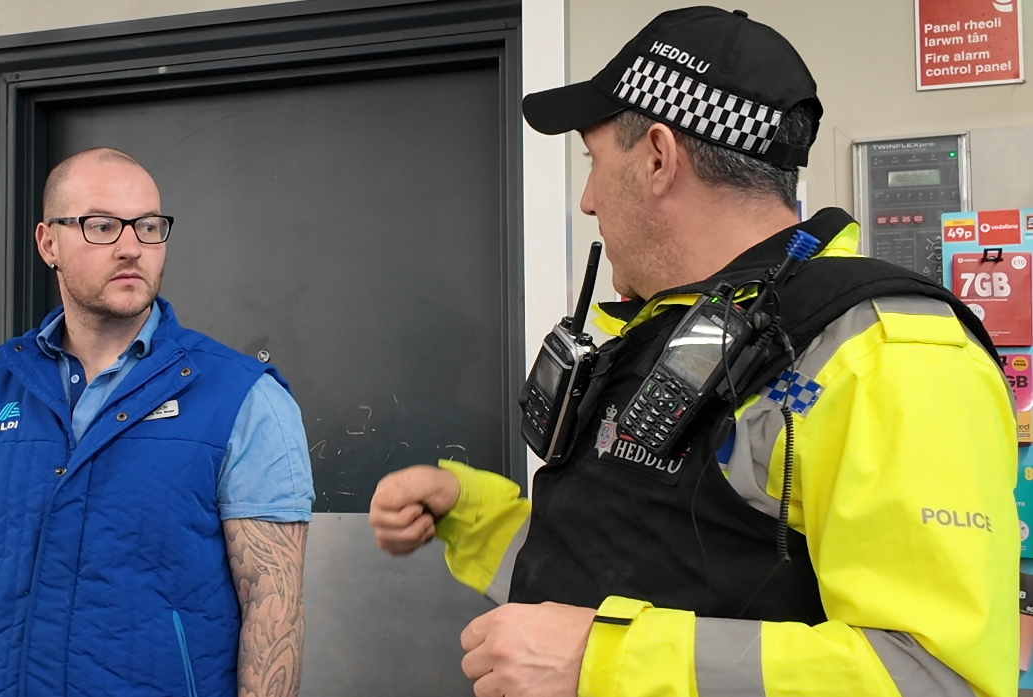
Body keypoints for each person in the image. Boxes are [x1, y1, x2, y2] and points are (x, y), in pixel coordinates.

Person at [369, 7, 1015, 697]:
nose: (587, 200)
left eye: (593, 161)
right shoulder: (661, 333)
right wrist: (468, 512)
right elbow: (623, 552)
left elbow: (940, 677)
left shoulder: (886, 354)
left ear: (656, 157)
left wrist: (604, 660)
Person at [0, 147, 314, 697]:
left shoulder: (244, 399)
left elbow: (274, 608)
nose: (131, 246)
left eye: (148, 226)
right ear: (48, 243)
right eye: (101, 226)